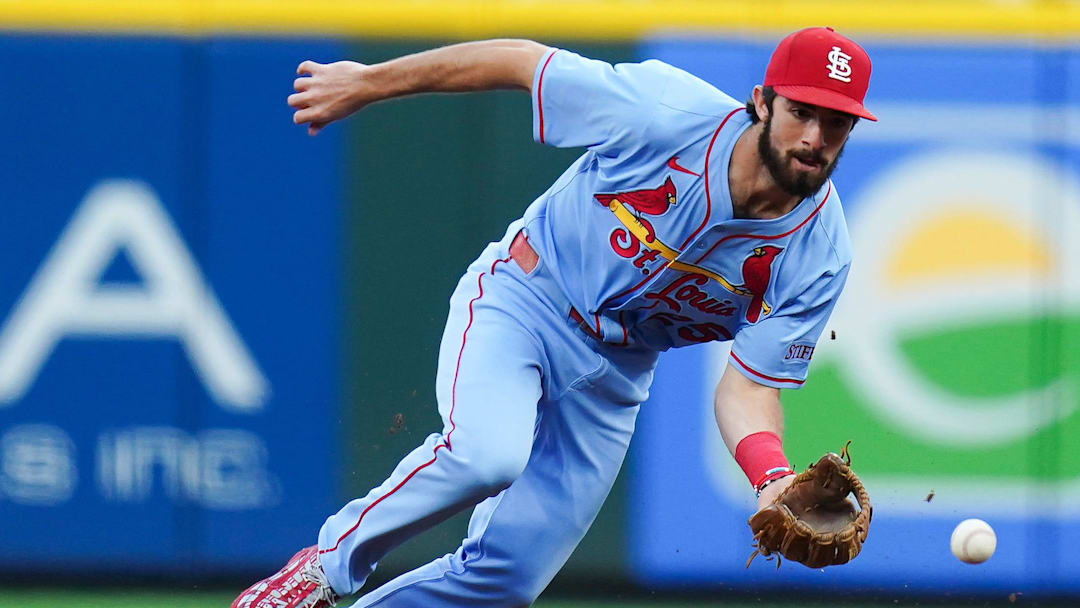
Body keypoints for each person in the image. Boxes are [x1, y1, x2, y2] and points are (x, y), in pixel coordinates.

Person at [231, 26, 876, 608]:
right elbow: (519, 62)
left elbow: (748, 387)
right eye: (802, 112)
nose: (815, 139)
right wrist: (368, 82)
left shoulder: (820, 254)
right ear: (763, 102)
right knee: (489, 455)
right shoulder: (664, 112)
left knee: (506, 582)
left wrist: (771, 476)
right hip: (527, 298)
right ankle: (321, 570)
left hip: (615, 376)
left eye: (837, 124)